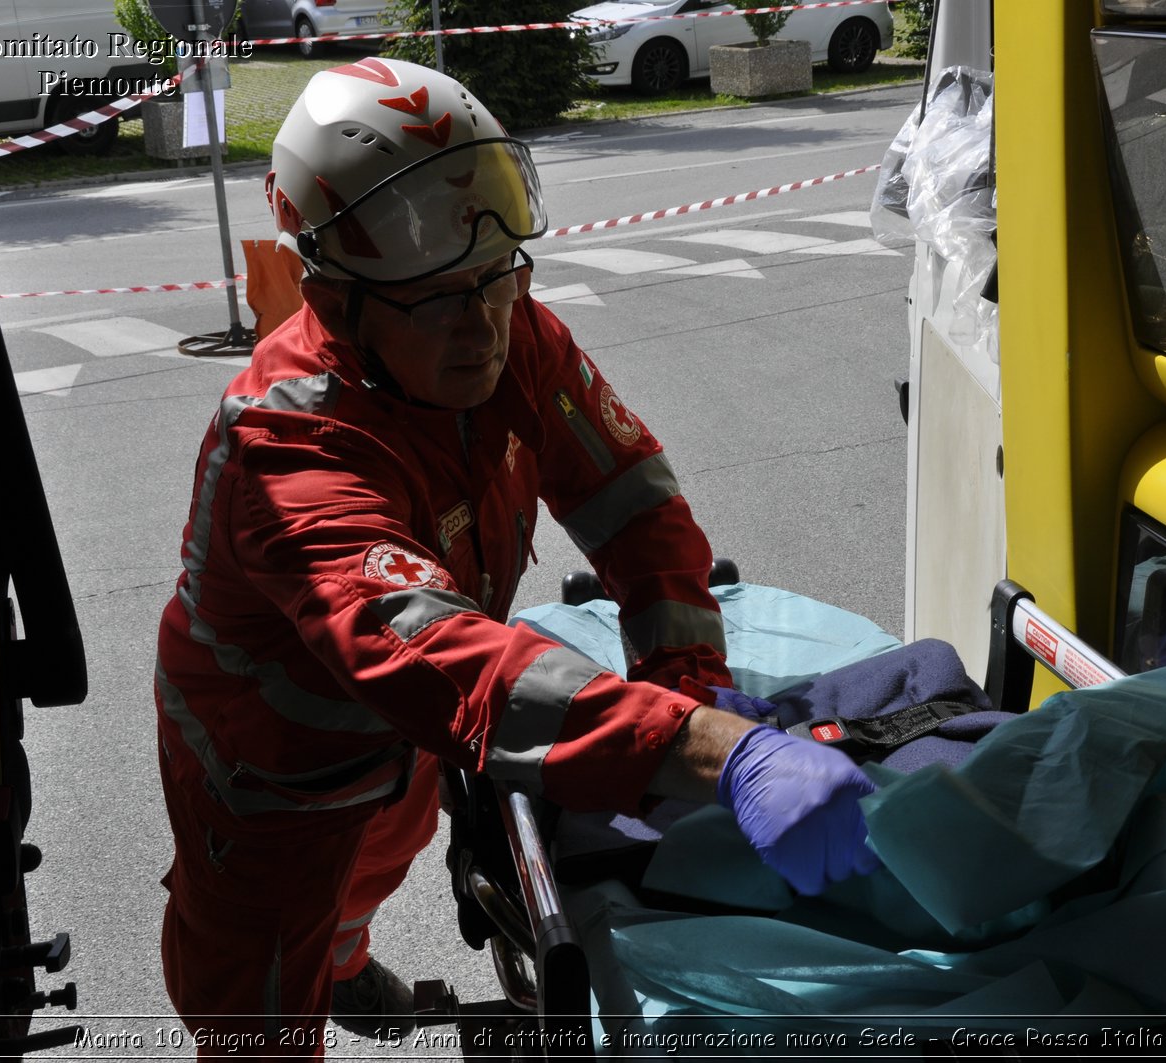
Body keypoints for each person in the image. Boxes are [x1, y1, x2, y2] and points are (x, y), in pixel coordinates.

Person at [153, 56, 880, 1056]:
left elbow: (636, 511)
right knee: (256, 991)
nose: (485, 323)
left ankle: (344, 956)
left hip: (401, 736)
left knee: (385, 841)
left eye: (498, 280)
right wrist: (716, 755)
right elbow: (443, 657)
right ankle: (300, 980)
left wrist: (691, 691)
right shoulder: (284, 453)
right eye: (442, 296)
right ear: (334, 293)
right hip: (266, 766)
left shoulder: (504, 330)